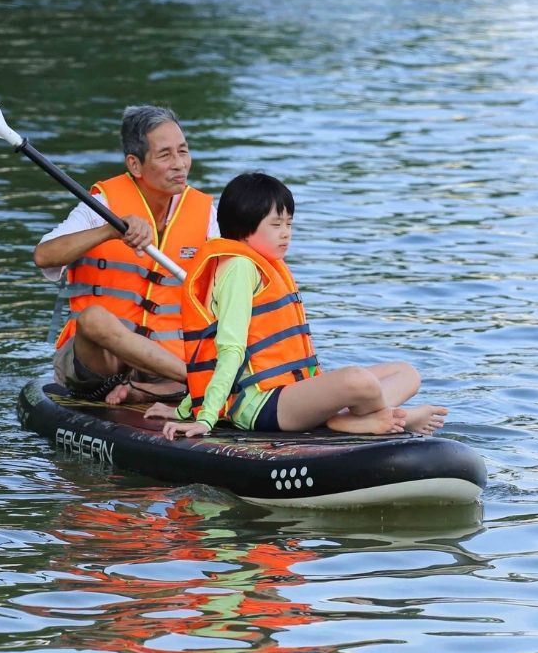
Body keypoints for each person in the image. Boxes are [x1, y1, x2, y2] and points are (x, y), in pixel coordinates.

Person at [146, 171, 447, 440]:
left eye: (289, 223)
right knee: (357, 380)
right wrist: (204, 417)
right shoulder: (239, 268)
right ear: (244, 227)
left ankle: (349, 419)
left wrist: (183, 408)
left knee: (407, 373)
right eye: (276, 224)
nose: (286, 232)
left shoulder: (261, 263)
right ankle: (376, 419)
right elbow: (229, 350)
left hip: (289, 393)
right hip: (259, 403)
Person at [34, 105, 218, 404]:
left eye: (183, 151)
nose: (179, 164)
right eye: (165, 155)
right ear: (135, 164)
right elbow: (44, 256)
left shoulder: (206, 214)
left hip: (167, 360)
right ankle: (201, 382)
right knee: (92, 319)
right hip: (101, 363)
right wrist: (108, 231)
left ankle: (149, 389)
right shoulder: (101, 205)